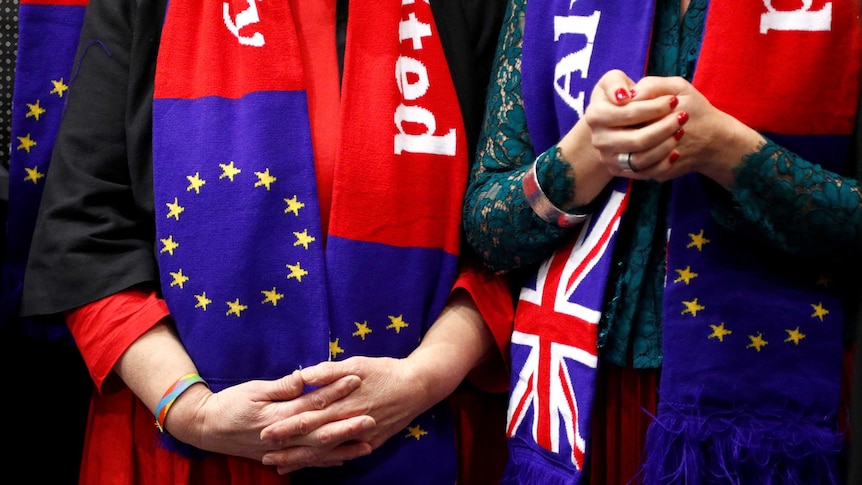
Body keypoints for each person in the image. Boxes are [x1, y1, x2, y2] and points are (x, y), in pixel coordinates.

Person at [19, 0, 515, 483]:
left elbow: (509, 236)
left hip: (423, 427)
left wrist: (421, 381)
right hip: (188, 446)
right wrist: (196, 413)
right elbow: (83, 230)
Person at [463, 0, 861, 483]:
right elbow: (488, 234)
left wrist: (725, 150)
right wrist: (585, 151)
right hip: (574, 397)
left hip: (762, 412)